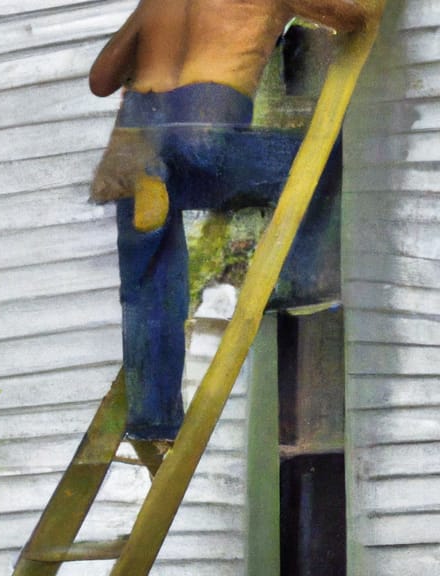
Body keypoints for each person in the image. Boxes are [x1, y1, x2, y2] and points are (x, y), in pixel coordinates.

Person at [89, 0, 381, 440]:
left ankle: (153, 418)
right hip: (203, 120)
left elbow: (100, 79)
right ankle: (296, 279)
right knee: (322, 162)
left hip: (136, 137)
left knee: (149, 284)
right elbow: (353, 17)